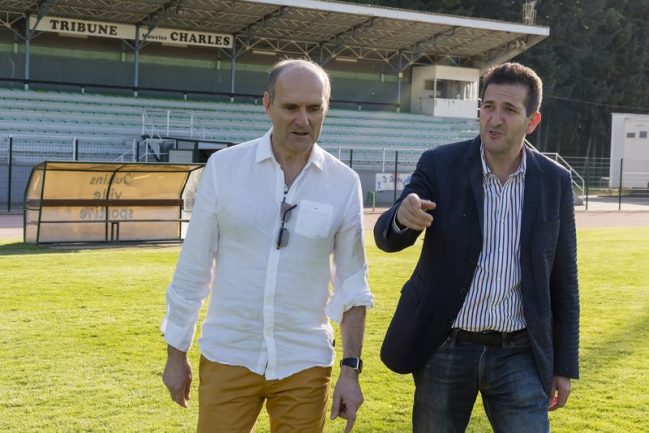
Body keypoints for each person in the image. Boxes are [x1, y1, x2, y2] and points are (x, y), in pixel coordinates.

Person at [161, 58, 374, 433]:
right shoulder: (224, 168)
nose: (303, 120)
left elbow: (353, 285)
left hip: (305, 362)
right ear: (267, 104)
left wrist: (350, 370)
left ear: (327, 108)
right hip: (228, 353)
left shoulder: (344, 182)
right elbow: (193, 267)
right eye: (291, 107)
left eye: (314, 108)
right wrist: (176, 354)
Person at [374, 62, 579, 433]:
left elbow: (564, 280)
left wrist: (564, 367)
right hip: (446, 347)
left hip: (519, 353)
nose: (494, 119)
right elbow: (387, 237)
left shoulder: (555, 181)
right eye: (488, 106)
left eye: (509, 110)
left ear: (532, 121)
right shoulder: (440, 165)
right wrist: (402, 218)